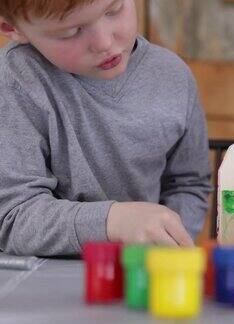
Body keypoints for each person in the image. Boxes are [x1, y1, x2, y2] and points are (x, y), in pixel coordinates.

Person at [0, 0, 212, 256]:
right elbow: (11, 217)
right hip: (41, 280)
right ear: (12, 28)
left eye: (114, 10)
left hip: (139, 274)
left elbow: (188, 185)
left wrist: (168, 239)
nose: (104, 43)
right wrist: (112, 222)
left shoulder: (174, 77)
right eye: (70, 32)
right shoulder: (16, 80)